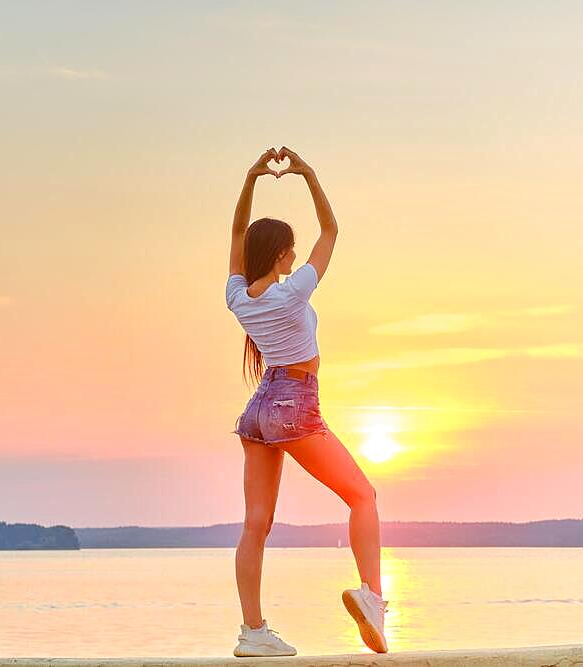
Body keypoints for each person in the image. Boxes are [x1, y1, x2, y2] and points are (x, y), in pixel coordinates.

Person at [225, 147, 389, 656]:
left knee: (256, 524)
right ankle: (373, 596)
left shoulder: (236, 296)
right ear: (280, 255)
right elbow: (332, 232)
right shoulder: (292, 292)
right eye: (291, 252)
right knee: (363, 496)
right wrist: (309, 175)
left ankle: (253, 632)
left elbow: (236, 236)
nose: (297, 258)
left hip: (259, 409)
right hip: (293, 403)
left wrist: (252, 179)